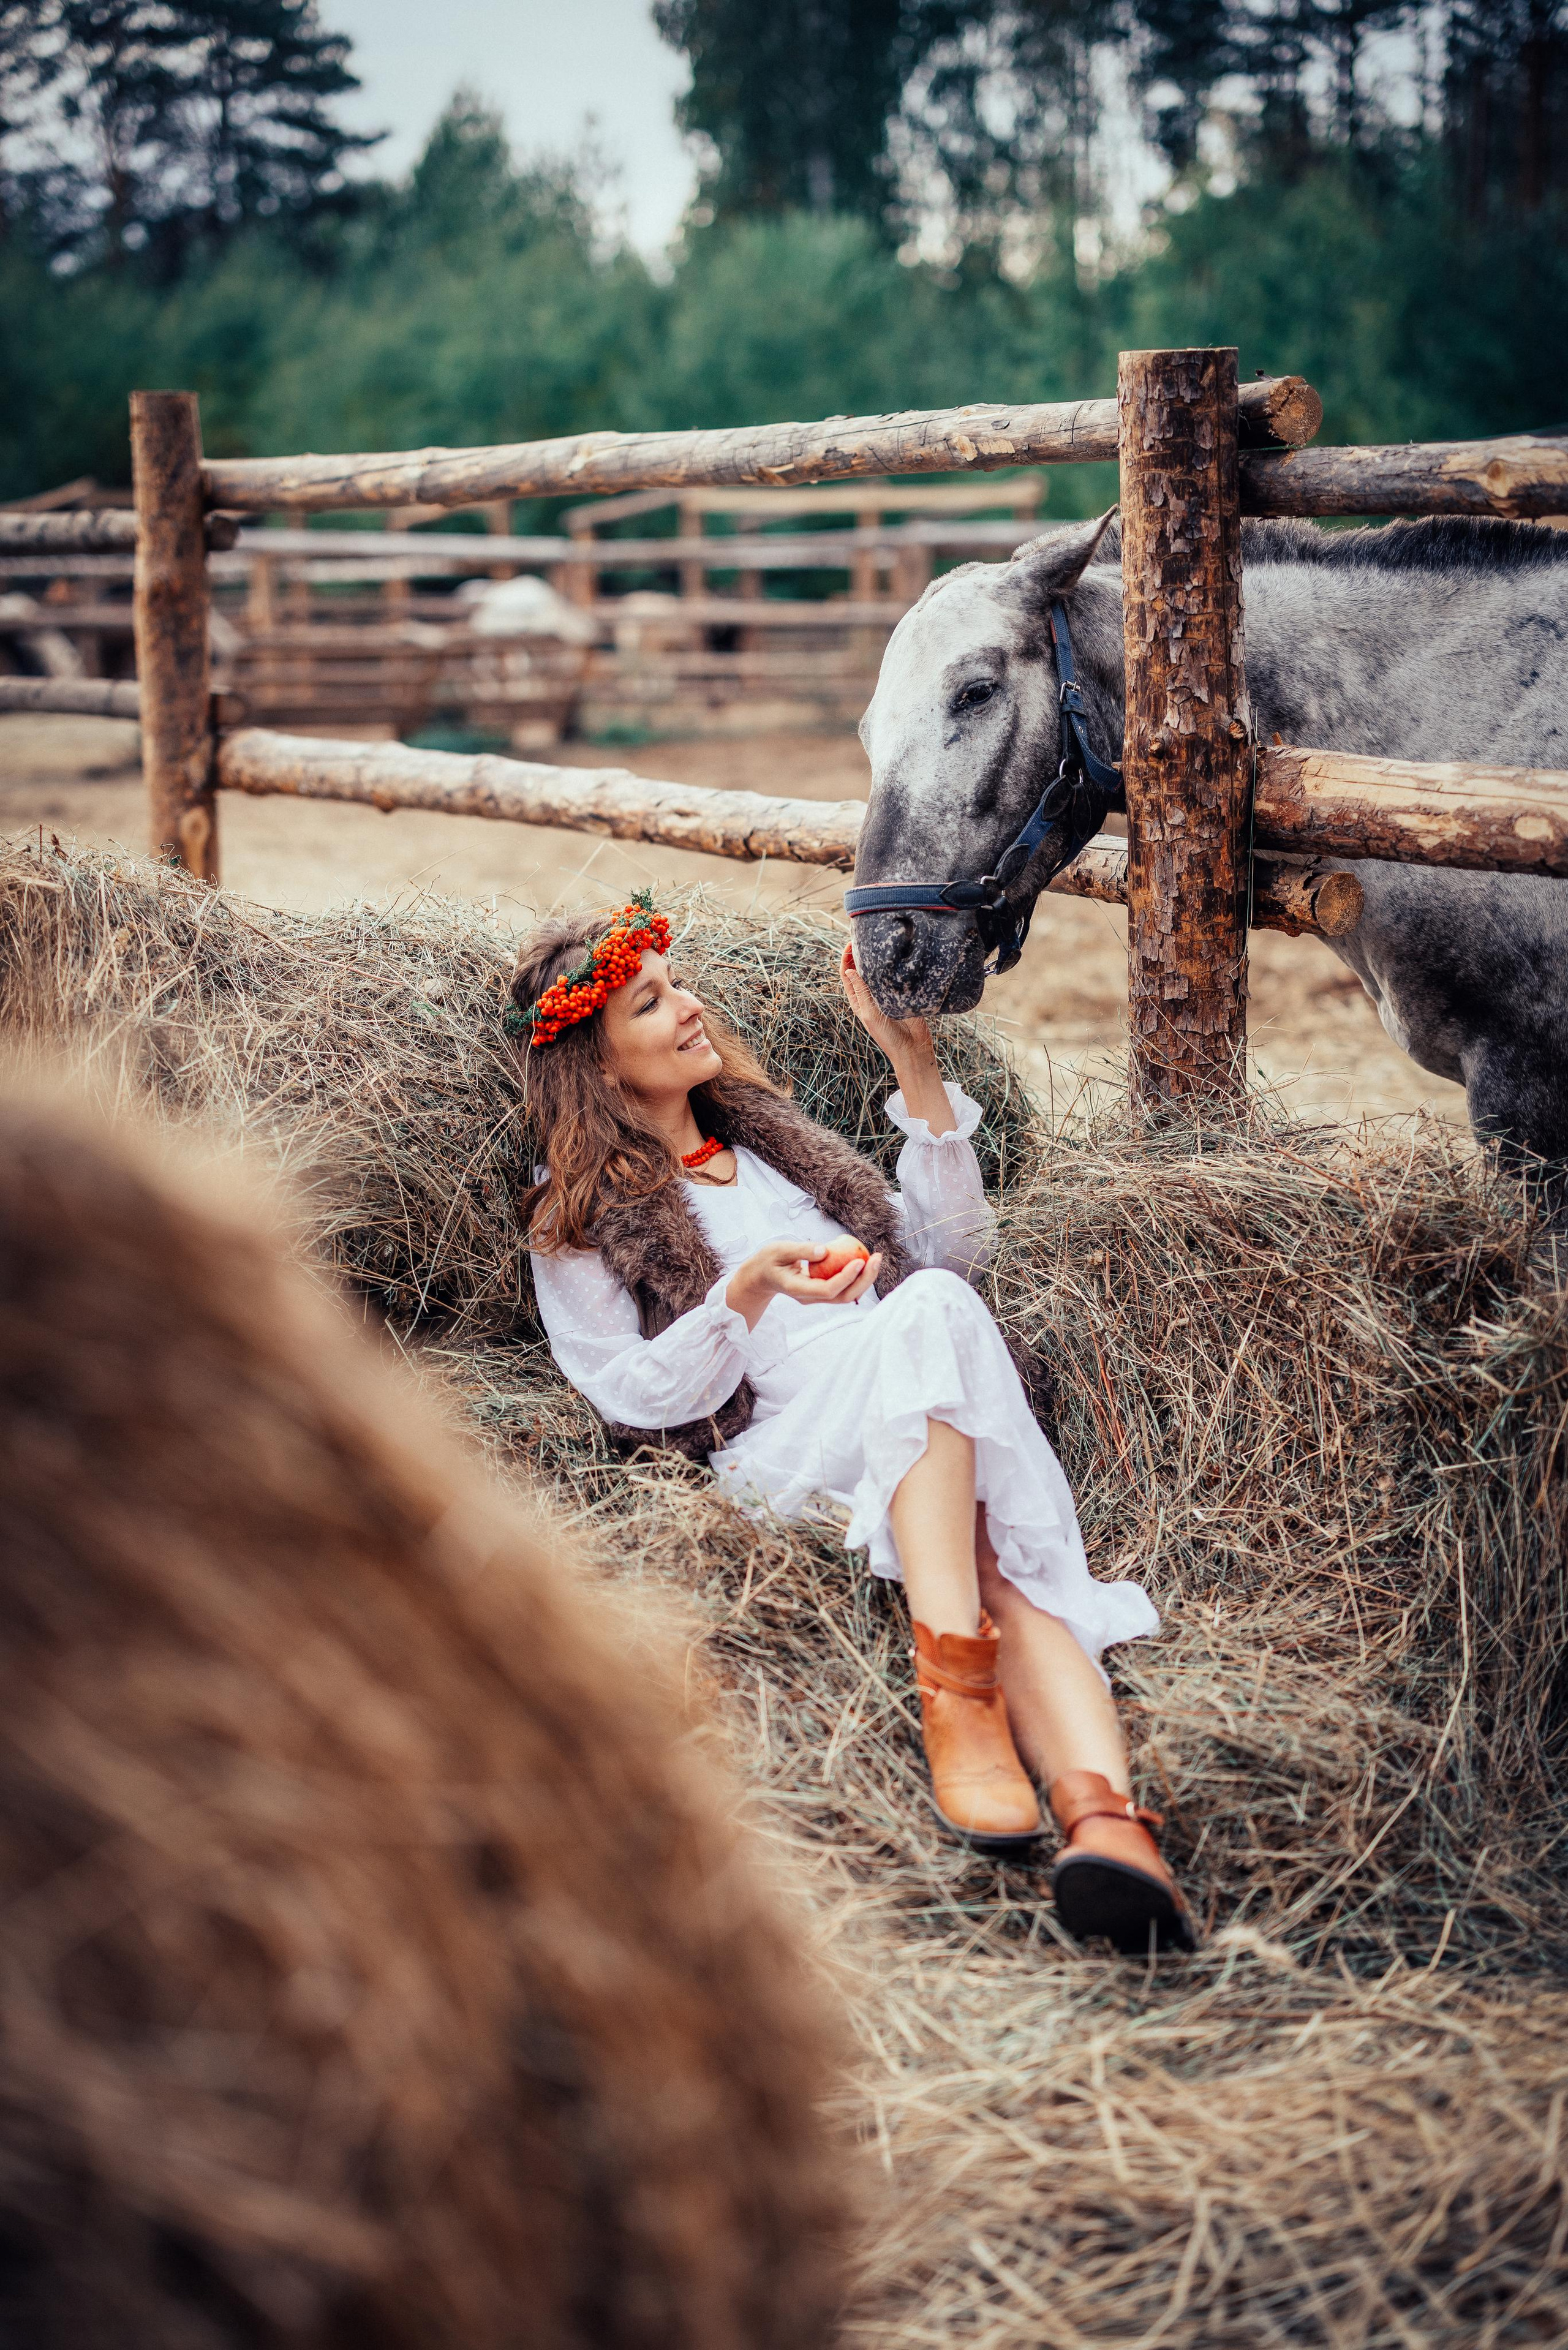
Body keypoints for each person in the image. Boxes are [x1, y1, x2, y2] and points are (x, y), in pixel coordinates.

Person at [513, 892, 1196, 1955]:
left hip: (912, 1392)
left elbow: (952, 1262)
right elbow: (627, 1391)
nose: (691, 1007)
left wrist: (911, 1061)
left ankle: (1105, 1823)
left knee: (981, 1517)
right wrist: (741, 1293)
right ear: (602, 1067)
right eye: (652, 1003)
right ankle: (974, 1709)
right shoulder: (577, 1210)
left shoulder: (777, 1142)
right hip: (788, 1440)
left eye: (680, 984)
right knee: (935, 1351)